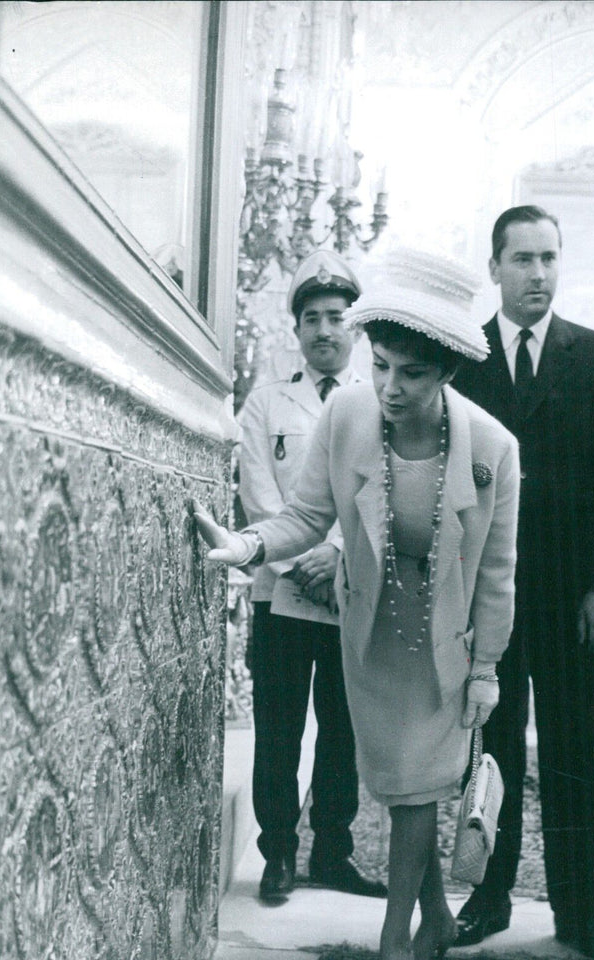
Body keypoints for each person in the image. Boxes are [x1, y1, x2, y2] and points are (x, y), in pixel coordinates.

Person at [195, 248, 520, 960]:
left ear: (446, 374)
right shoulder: (346, 415)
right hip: (367, 628)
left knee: (413, 796)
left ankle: (396, 943)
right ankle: (437, 914)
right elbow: (307, 514)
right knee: (404, 784)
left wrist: (486, 669)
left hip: (444, 644)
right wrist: (245, 547)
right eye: (380, 365)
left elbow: (497, 575)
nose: (390, 387)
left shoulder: (494, 451)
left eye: (412, 373)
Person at [451, 204, 594, 960]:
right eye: (522, 259)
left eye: (549, 258)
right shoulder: (464, 357)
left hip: (568, 596)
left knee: (569, 751)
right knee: (490, 746)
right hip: (490, 590)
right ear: (494, 267)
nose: (538, 274)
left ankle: (579, 912)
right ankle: (488, 900)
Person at [237, 250, 385, 902]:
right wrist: (305, 560)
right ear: (295, 329)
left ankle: (332, 851)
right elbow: (259, 496)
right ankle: (278, 855)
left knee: (342, 725)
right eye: (312, 319)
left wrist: (341, 557)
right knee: (280, 725)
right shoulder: (267, 403)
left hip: (351, 590)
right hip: (280, 591)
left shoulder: (379, 400)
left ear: (354, 328)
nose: (325, 331)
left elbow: (383, 493)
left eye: (336, 318)